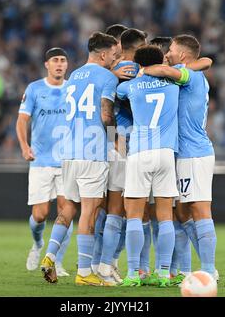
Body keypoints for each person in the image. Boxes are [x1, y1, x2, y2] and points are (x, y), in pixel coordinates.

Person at [40, 32, 118, 286]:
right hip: (92, 153)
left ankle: (50, 256)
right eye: (113, 56)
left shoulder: (73, 77)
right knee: (90, 211)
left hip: (69, 153)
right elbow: (106, 115)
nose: (114, 60)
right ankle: (84, 272)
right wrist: (118, 141)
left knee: (68, 208)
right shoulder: (107, 77)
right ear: (104, 54)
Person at [143, 35, 219, 281]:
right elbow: (204, 61)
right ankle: (193, 269)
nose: (168, 53)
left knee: (199, 209)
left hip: (194, 153)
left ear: (183, 55)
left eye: (172, 49)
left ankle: (208, 270)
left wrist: (143, 68)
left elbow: (171, 69)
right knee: (182, 213)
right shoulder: (191, 71)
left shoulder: (189, 74)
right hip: (183, 153)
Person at [117, 45, 180, 287]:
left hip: (140, 153)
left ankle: (133, 273)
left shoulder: (130, 86)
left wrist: (139, 74)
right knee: (165, 217)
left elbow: (119, 92)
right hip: (166, 153)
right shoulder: (174, 86)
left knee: (133, 216)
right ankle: (164, 273)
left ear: (139, 63)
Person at [95, 28, 147, 286]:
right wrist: (117, 139)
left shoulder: (111, 70)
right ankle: (106, 263)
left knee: (109, 209)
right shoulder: (130, 69)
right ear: (136, 49)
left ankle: (102, 262)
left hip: (111, 143)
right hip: (123, 143)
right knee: (121, 209)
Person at [16, 48, 73, 277]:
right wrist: (24, 146)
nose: (59, 64)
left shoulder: (73, 89)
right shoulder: (35, 89)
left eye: (63, 60)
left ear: (67, 65)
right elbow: (22, 120)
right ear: (46, 64)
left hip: (67, 161)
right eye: (55, 61)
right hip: (40, 160)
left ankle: (57, 261)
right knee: (40, 214)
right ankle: (38, 244)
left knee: (65, 211)